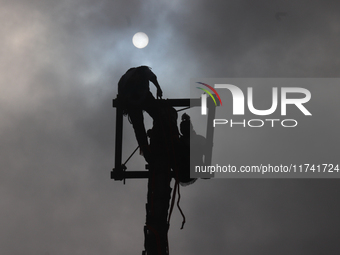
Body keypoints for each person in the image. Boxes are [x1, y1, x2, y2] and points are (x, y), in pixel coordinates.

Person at [118, 66, 163, 162]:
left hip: (139, 98)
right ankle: (148, 150)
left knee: (143, 125)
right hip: (133, 102)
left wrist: (158, 88)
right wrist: (158, 88)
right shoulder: (126, 81)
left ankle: (151, 145)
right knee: (156, 118)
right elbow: (153, 78)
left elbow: (153, 78)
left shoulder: (141, 72)